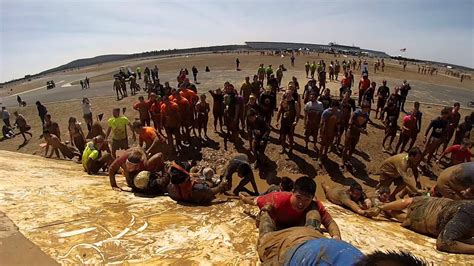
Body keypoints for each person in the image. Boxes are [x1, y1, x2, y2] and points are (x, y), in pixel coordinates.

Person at [376, 196, 474, 254]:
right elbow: (444, 243)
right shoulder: (468, 212)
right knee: (407, 212)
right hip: (427, 214)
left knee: (405, 212)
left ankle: (381, 207)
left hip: (434, 210)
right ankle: (380, 207)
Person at [256, 176, 341, 238]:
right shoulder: (277, 199)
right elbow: (256, 200)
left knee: (314, 212)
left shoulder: (314, 204)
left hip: (300, 231)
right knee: (266, 210)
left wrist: (336, 237)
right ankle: (265, 242)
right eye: (298, 197)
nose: (301, 204)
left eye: (306, 200)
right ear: (292, 192)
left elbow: (330, 222)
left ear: (312, 198)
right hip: (277, 227)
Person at [342, 103, 370, 169]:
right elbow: (350, 123)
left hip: (357, 133)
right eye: (366, 109)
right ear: (362, 108)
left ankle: (349, 158)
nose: (366, 110)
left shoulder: (366, 115)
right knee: (346, 146)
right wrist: (359, 128)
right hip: (351, 132)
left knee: (353, 147)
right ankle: (343, 160)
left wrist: (364, 129)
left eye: (367, 109)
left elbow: (364, 125)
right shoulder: (355, 113)